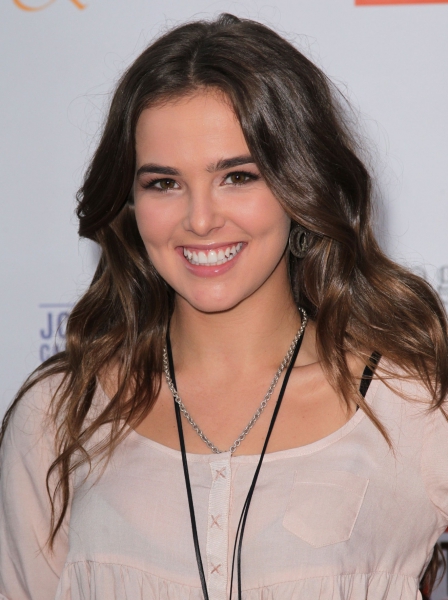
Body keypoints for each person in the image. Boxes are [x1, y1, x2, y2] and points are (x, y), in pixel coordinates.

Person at [1, 12, 447, 600]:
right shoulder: (60, 414)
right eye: (163, 183)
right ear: (129, 202)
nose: (201, 219)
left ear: (300, 184)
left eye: (237, 176)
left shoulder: (413, 404)